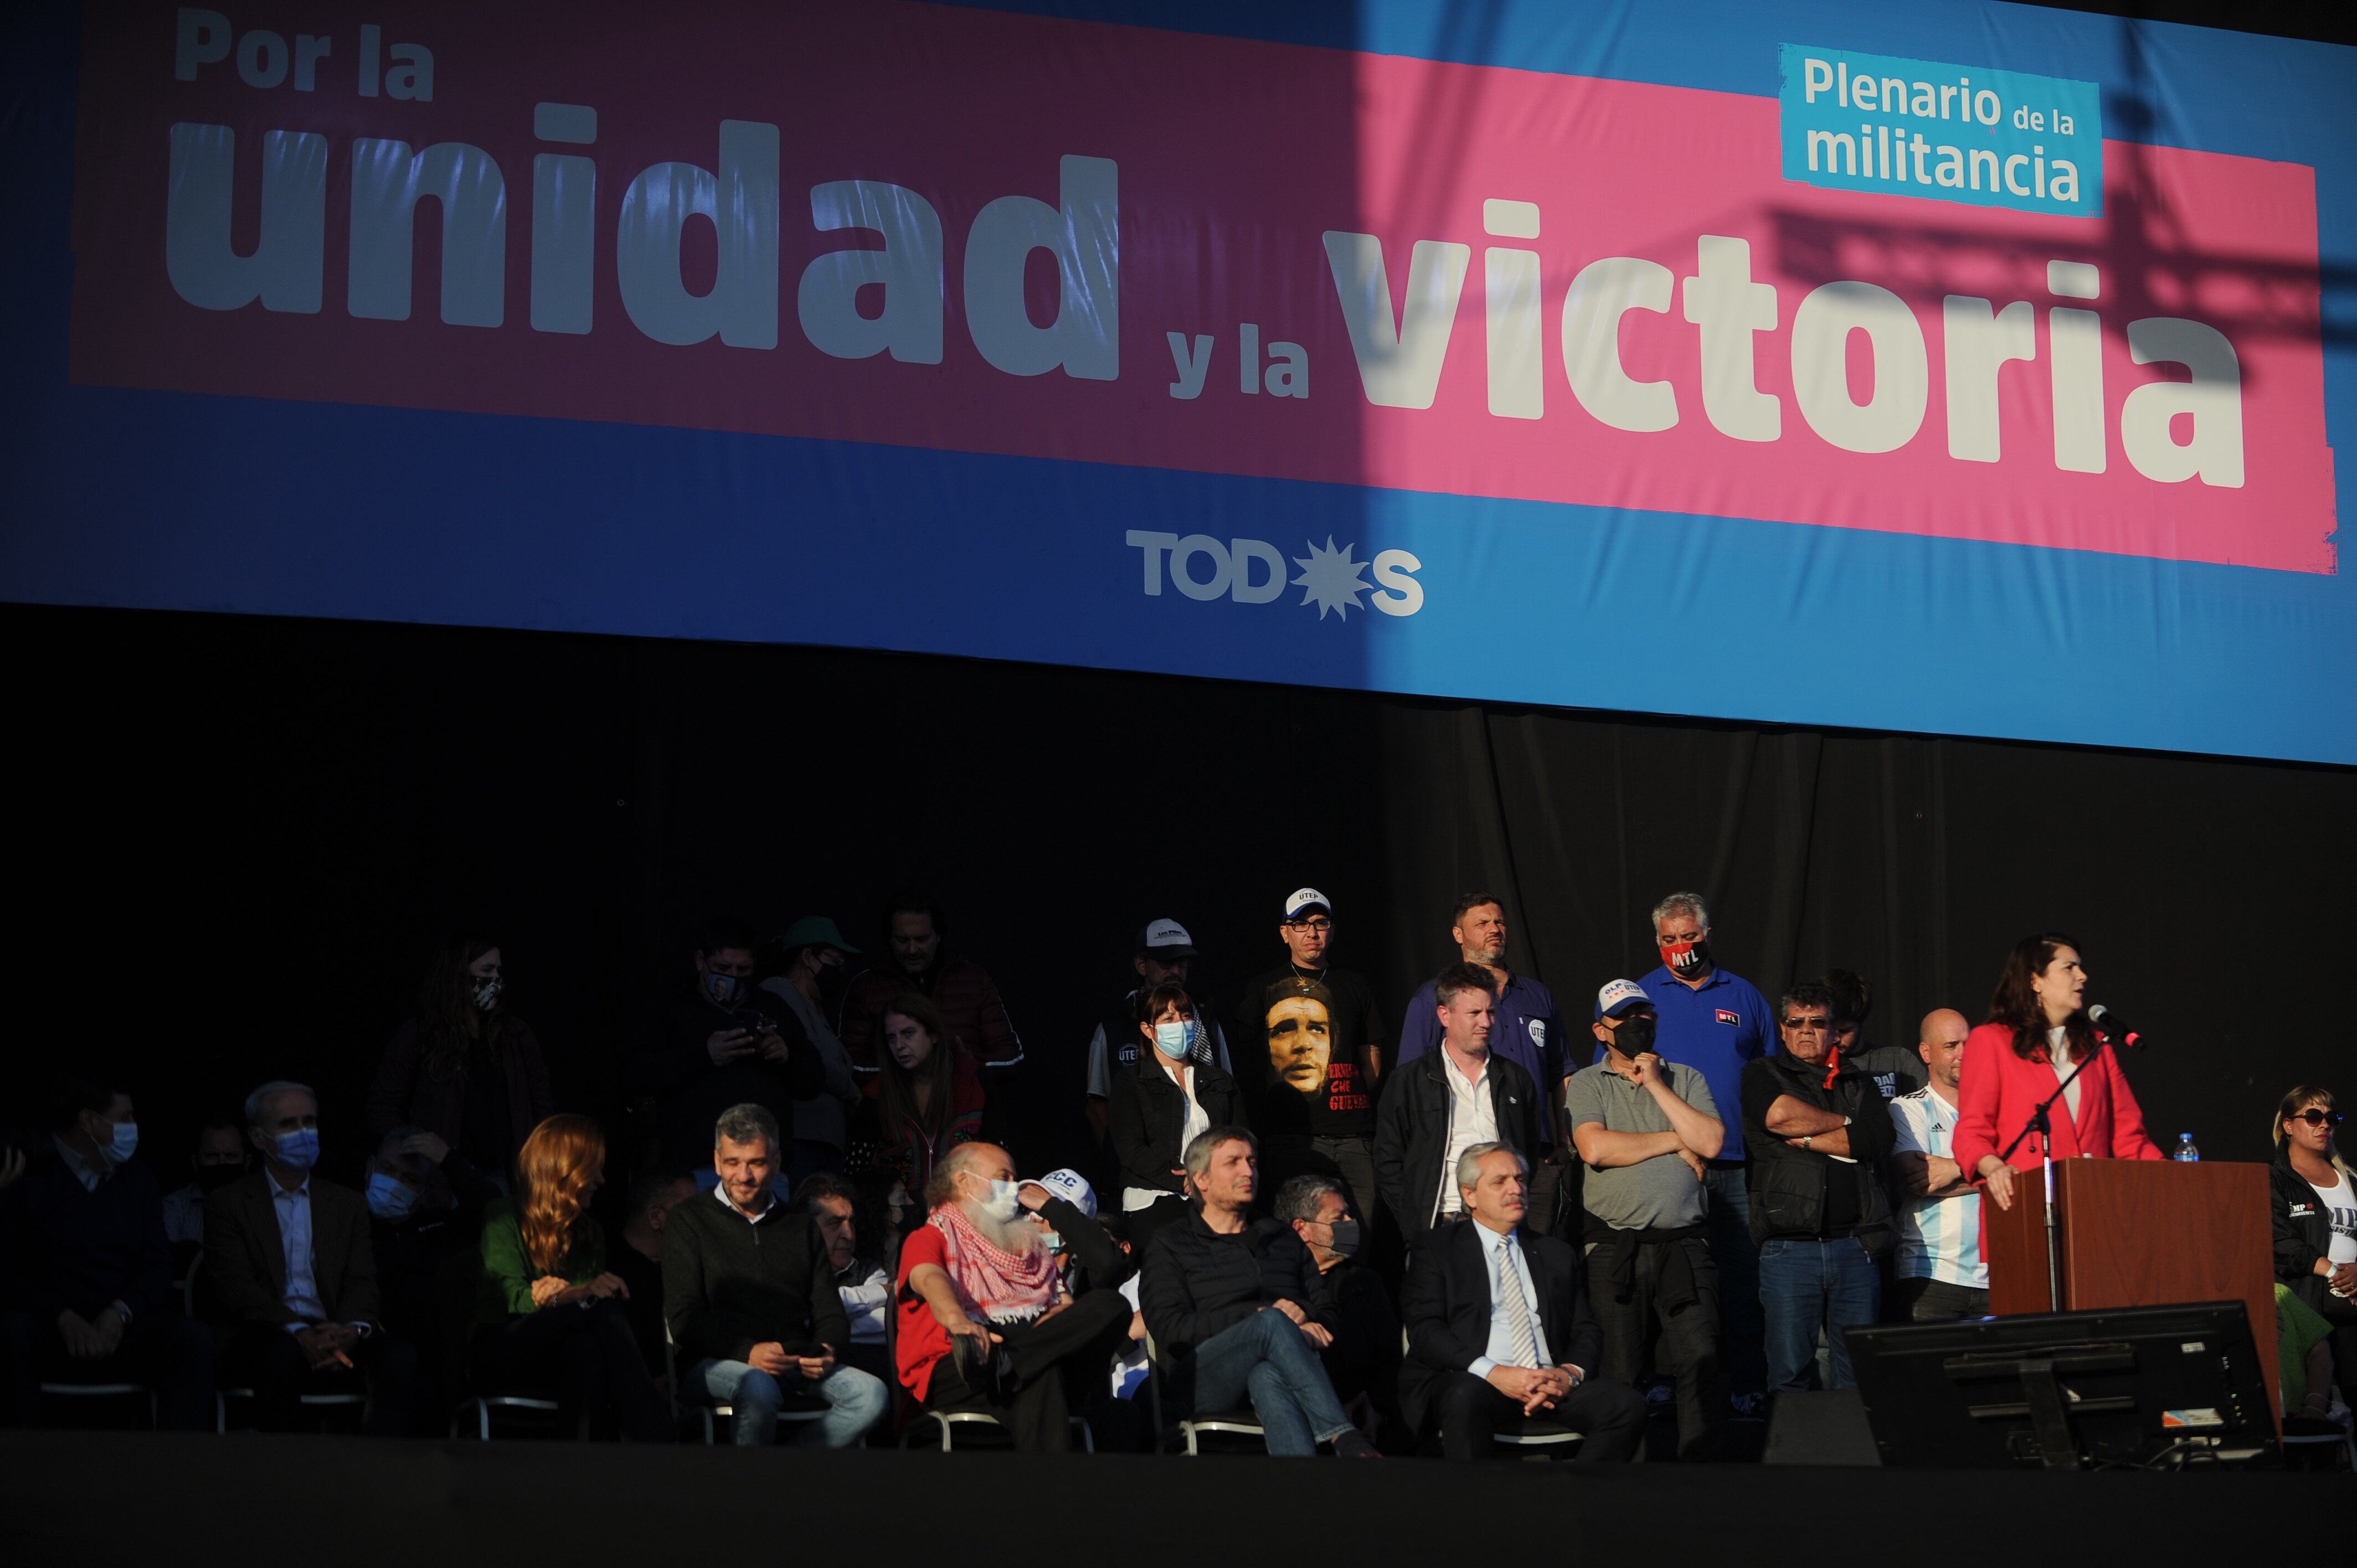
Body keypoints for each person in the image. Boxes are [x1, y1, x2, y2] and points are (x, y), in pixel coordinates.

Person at [1140, 1127, 1380, 1457]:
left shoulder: (1283, 1238)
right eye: (1233, 1162)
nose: (1248, 1171)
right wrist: (1256, 1319)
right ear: (1202, 1180)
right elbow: (1169, 1328)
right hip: (1202, 1380)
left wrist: (1307, 1326)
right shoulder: (1171, 1244)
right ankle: (1343, 1435)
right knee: (1271, 1324)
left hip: (1285, 1370)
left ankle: (1299, 1491)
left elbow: (1328, 1312)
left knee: (1266, 1374)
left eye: (1252, 1161)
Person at [1397, 1143, 1646, 1461]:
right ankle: (1479, 1506)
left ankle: (1575, 1501)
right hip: (1478, 1381)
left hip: (1550, 1382)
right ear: (1469, 1195)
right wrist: (1495, 1373)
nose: (1516, 1189)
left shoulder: (1555, 1253)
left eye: (1520, 1179)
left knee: (1627, 1405)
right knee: (1463, 1395)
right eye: (1500, 1182)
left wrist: (1568, 1375)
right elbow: (1426, 1331)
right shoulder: (1437, 1249)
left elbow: (1586, 1328)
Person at [1566, 978, 1727, 1460]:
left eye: (1647, 1016)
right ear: (1602, 1030)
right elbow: (1595, 1147)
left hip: (1685, 1246)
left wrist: (1656, 1083)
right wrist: (1677, 1141)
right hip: (1614, 1250)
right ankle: (1625, 1485)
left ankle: (1700, 1477)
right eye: (1627, 1018)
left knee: (1702, 1359)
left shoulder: (1686, 1077)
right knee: (1620, 1370)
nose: (1641, 1025)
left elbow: (1712, 1141)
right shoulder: (1590, 1083)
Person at [665, 1103, 887, 1447]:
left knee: (871, 1394)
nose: (743, 1175)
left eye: (756, 1162)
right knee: (758, 1387)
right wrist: (748, 1352)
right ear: (716, 1161)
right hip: (714, 1362)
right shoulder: (689, 1220)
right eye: (732, 1163)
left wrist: (828, 1349)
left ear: (778, 1162)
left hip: (795, 1359)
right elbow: (684, 1318)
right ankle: (755, 1489)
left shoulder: (800, 1228)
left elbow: (828, 1310)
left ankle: (789, 1475)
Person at [204, 1081, 419, 1435]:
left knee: (399, 1356)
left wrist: (351, 1330)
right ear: (258, 1138)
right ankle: (294, 1473)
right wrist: (299, 1332)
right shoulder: (229, 1204)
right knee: (280, 1356)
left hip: (335, 1328)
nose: (303, 1133)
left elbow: (362, 1280)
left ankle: (380, 1470)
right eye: (288, 1124)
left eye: (309, 1122)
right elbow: (237, 1288)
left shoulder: (346, 1204)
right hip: (268, 1333)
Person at [0, 1072, 213, 1430]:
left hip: (121, 1330)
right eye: (125, 1117)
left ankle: (181, 1473)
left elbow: (159, 1264)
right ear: (88, 1120)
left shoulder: (138, 1178)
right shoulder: (24, 1175)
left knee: (191, 1340)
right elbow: (6, 1269)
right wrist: (61, 1316)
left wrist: (120, 1313)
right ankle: (22, 1471)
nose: (133, 1126)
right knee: (10, 1333)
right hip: (50, 1329)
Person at [896, 1142, 1133, 1451]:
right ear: (963, 1181)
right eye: (1003, 1177)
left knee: (1112, 1305)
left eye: (1014, 1178)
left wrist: (1059, 1319)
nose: (1014, 1188)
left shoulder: (1028, 1247)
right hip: (968, 1364)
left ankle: (1012, 1363)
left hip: (1020, 1364)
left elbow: (1068, 1305)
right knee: (1043, 1377)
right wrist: (959, 1321)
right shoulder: (931, 1236)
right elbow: (929, 1277)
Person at [1639, 891, 1774, 1411]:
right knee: (1668, 1278)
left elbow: (1768, 1077)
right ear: (1657, 942)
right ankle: (1664, 1383)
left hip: (1737, 1164)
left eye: (1688, 937)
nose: (1680, 947)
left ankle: (1746, 1384)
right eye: (1669, 940)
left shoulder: (1743, 997)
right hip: (1668, 1163)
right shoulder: (1642, 998)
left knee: (1742, 1278)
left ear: (1708, 936)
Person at [1740, 984, 1897, 1392]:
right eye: (1797, 1023)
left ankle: (1855, 1456)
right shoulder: (1763, 1072)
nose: (1807, 1031)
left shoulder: (1859, 1083)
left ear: (1834, 1030)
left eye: (1818, 1023)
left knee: (1858, 1375)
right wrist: (1847, 1124)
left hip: (1856, 1247)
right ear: (1783, 1028)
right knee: (1790, 1374)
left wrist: (1809, 1137)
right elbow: (1778, 1115)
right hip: (1790, 1251)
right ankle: (1792, 1457)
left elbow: (1877, 1141)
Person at [474, 1116, 671, 1441]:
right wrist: (566, 1297)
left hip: (559, 1350)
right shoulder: (503, 1216)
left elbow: (583, 1311)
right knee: (602, 1312)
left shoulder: (591, 1233)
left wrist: (567, 1297)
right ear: (565, 1168)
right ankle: (654, 1436)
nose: (602, 1180)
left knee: (587, 1350)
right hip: (502, 1347)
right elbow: (512, 1297)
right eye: (593, 1168)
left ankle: (579, 1469)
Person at [1953, 933, 2162, 1216]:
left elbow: (2130, 1138)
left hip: (2095, 1208)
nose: (2083, 976)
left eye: (2080, 967)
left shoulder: (2097, 1047)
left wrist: (2174, 1177)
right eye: (2069, 967)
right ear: (2035, 981)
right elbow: (1972, 1132)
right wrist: (1995, 1168)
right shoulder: (1991, 1042)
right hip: (2023, 1207)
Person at [1397, 894, 1569, 1232]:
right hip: (1465, 1162)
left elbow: (1561, 1072)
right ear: (1458, 935)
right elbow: (1410, 1085)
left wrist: (1565, 1143)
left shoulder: (1537, 995)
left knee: (1531, 1267)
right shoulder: (1432, 998)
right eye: (1483, 923)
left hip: (1535, 1160)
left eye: (1500, 922)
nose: (1495, 929)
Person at [1233, 888, 1388, 1241]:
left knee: (1356, 1241)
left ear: (1332, 930)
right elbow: (1241, 1051)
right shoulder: (1264, 987)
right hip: (1291, 1140)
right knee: (1296, 1244)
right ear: (1284, 932)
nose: (1312, 932)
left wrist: (1345, 1093)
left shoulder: (1354, 985)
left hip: (1353, 1137)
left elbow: (1373, 1056)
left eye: (1320, 923)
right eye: (1301, 924)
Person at [625, 918, 825, 1180]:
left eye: (743, 970)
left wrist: (786, 1057)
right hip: (695, 1168)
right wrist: (704, 1055)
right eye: (723, 968)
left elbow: (814, 1081)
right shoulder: (671, 1008)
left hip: (765, 1171)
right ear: (701, 961)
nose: (732, 977)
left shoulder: (772, 1006)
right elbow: (638, 1075)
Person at [367, 936, 555, 1195]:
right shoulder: (420, 1035)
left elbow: (541, 1105)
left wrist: (535, 1159)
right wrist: (414, 1155)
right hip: (438, 1182)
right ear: (457, 976)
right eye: (487, 970)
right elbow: (383, 1105)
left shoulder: (515, 1035)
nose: (496, 979)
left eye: (498, 970)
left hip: (505, 1179)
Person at [1374, 964, 1543, 1242]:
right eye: (1474, 1013)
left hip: (1501, 1222)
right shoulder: (1409, 1081)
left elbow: (1528, 1149)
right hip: (1438, 1222)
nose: (1486, 1022)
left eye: (1490, 1012)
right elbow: (1388, 1161)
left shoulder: (1516, 1079)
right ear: (1445, 1015)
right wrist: (1413, 1216)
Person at [1109, 981, 1244, 1254]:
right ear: (1148, 1030)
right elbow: (1131, 1150)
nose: (1180, 1024)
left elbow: (1241, 1138)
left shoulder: (1219, 1080)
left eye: (1185, 1017)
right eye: (1169, 1018)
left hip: (1216, 1194)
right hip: (1155, 1197)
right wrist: (1184, 1181)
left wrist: (1219, 1179)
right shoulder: (1131, 1081)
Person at [1277, 1173, 1404, 1451]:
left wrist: (1376, 1407)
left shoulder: (1365, 1283)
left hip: (1364, 1418)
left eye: (1349, 1215)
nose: (1351, 1223)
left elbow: (1390, 1357)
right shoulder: (1273, 1283)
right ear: (1302, 1229)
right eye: (1339, 1218)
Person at [366, 1125, 480, 1432]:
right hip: (367, 1342)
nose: (394, 1183)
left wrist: (449, 1161)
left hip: (433, 1358)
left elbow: (492, 1212)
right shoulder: (346, 1217)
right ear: (370, 1168)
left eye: (410, 1179)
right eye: (387, 1170)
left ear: (426, 1191)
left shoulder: (440, 1227)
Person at [840, 888, 1023, 1071]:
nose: (912, 950)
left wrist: (970, 1067)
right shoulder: (865, 987)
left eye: (922, 939)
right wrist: (903, 1075)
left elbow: (1010, 1056)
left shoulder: (975, 980)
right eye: (902, 940)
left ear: (939, 936)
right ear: (889, 939)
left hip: (965, 1098)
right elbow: (848, 1063)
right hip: (894, 1100)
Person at [1086, 919, 1232, 1148]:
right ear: (1142, 965)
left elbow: (1228, 1094)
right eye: (1166, 963)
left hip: (1206, 1159)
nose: (1176, 971)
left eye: (1182, 963)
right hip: (1142, 1164)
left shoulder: (1205, 1019)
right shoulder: (1115, 1027)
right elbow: (1098, 1106)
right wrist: (1119, 1162)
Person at [1886, 1009, 1988, 1322]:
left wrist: (1955, 1168)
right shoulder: (1909, 1107)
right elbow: (1921, 1181)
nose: (1963, 1054)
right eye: (1951, 1046)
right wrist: (1994, 1170)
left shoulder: (1994, 1110)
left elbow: (2027, 1172)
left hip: (1996, 1275)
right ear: (1926, 1053)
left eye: (1968, 1044)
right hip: (1931, 1274)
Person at [758, 916, 864, 1187]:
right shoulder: (780, 990)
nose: (840, 969)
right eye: (835, 961)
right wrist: (854, 1093)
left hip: (827, 1142)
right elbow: (815, 1058)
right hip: (803, 1139)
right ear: (808, 957)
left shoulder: (814, 1005)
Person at [848, 992, 985, 1199]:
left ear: (934, 1035)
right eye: (891, 1038)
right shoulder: (877, 1095)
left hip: (966, 1212)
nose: (899, 1045)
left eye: (908, 1033)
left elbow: (999, 1160)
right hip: (898, 1219)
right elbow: (856, 1175)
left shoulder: (972, 1082)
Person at [2270, 1086, 2356, 1411]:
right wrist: (2335, 1272)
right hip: (2304, 1300)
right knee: (2310, 1397)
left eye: (2332, 1118)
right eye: (2313, 1116)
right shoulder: (2274, 1178)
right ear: (2288, 1125)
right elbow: (2279, 1242)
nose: (2324, 1125)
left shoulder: (2350, 1179)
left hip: (2352, 1304)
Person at [794, 1172, 892, 1385]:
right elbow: (796, 1308)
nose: (849, 1234)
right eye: (835, 1223)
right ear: (807, 1228)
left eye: (851, 1223)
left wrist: (822, 1331)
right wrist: (880, 1293)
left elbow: (888, 1323)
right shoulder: (791, 1270)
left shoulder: (868, 1271)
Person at [611, 1171, 697, 1376]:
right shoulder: (612, 1275)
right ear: (656, 1217)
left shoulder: (688, 1267)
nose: (699, 1220)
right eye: (691, 1211)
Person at [1826, 969, 1924, 1103]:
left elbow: (1932, 1110)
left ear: (1863, 1022)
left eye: (1844, 1030)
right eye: (1828, 1029)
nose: (1835, 1038)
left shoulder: (1898, 1061)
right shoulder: (1810, 1065)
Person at [159, 1119, 246, 1249]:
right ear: (195, 1162)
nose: (222, 1163)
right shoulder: (176, 1207)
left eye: (231, 1156)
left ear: (247, 1162)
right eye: (212, 1156)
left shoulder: (264, 1205)